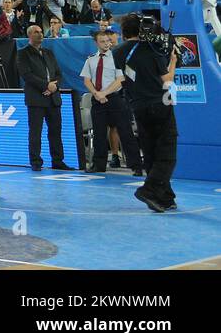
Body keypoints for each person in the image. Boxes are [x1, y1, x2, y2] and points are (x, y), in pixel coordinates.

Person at [118, 14, 178, 212]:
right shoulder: (152, 49)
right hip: (160, 104)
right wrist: (173, 61)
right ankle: (149, 190)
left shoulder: (118, 53)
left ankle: (165, 198)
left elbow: (122, 79)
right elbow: (166, 79)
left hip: (138, 106)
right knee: (167, 154)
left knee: (151, 152)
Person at [80, 29, 143, 175]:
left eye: (108, 41)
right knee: (99, 134)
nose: (106, 44)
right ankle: (99, 164)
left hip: (115, 98)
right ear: (96, 43)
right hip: (97, 99)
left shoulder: (117, 57)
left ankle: (136, 165)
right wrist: (96, 93)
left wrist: (104, 93)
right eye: (102, 41)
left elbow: (120, 80)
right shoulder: (91, 59)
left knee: (126, 132)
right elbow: (87, 80)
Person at [17, 25, 73, 171]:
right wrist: (46, 86)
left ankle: (58, 161)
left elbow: (58, 73)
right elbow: (27, 75)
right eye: (36, 32)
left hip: (53, 98)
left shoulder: (48, 52)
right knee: (36, 132)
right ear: (29, 35)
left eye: (41, 32)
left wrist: (53, 86)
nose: (40, 34)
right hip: (36, 98)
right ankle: (36, 161)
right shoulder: (23, 53)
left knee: (55, 131)